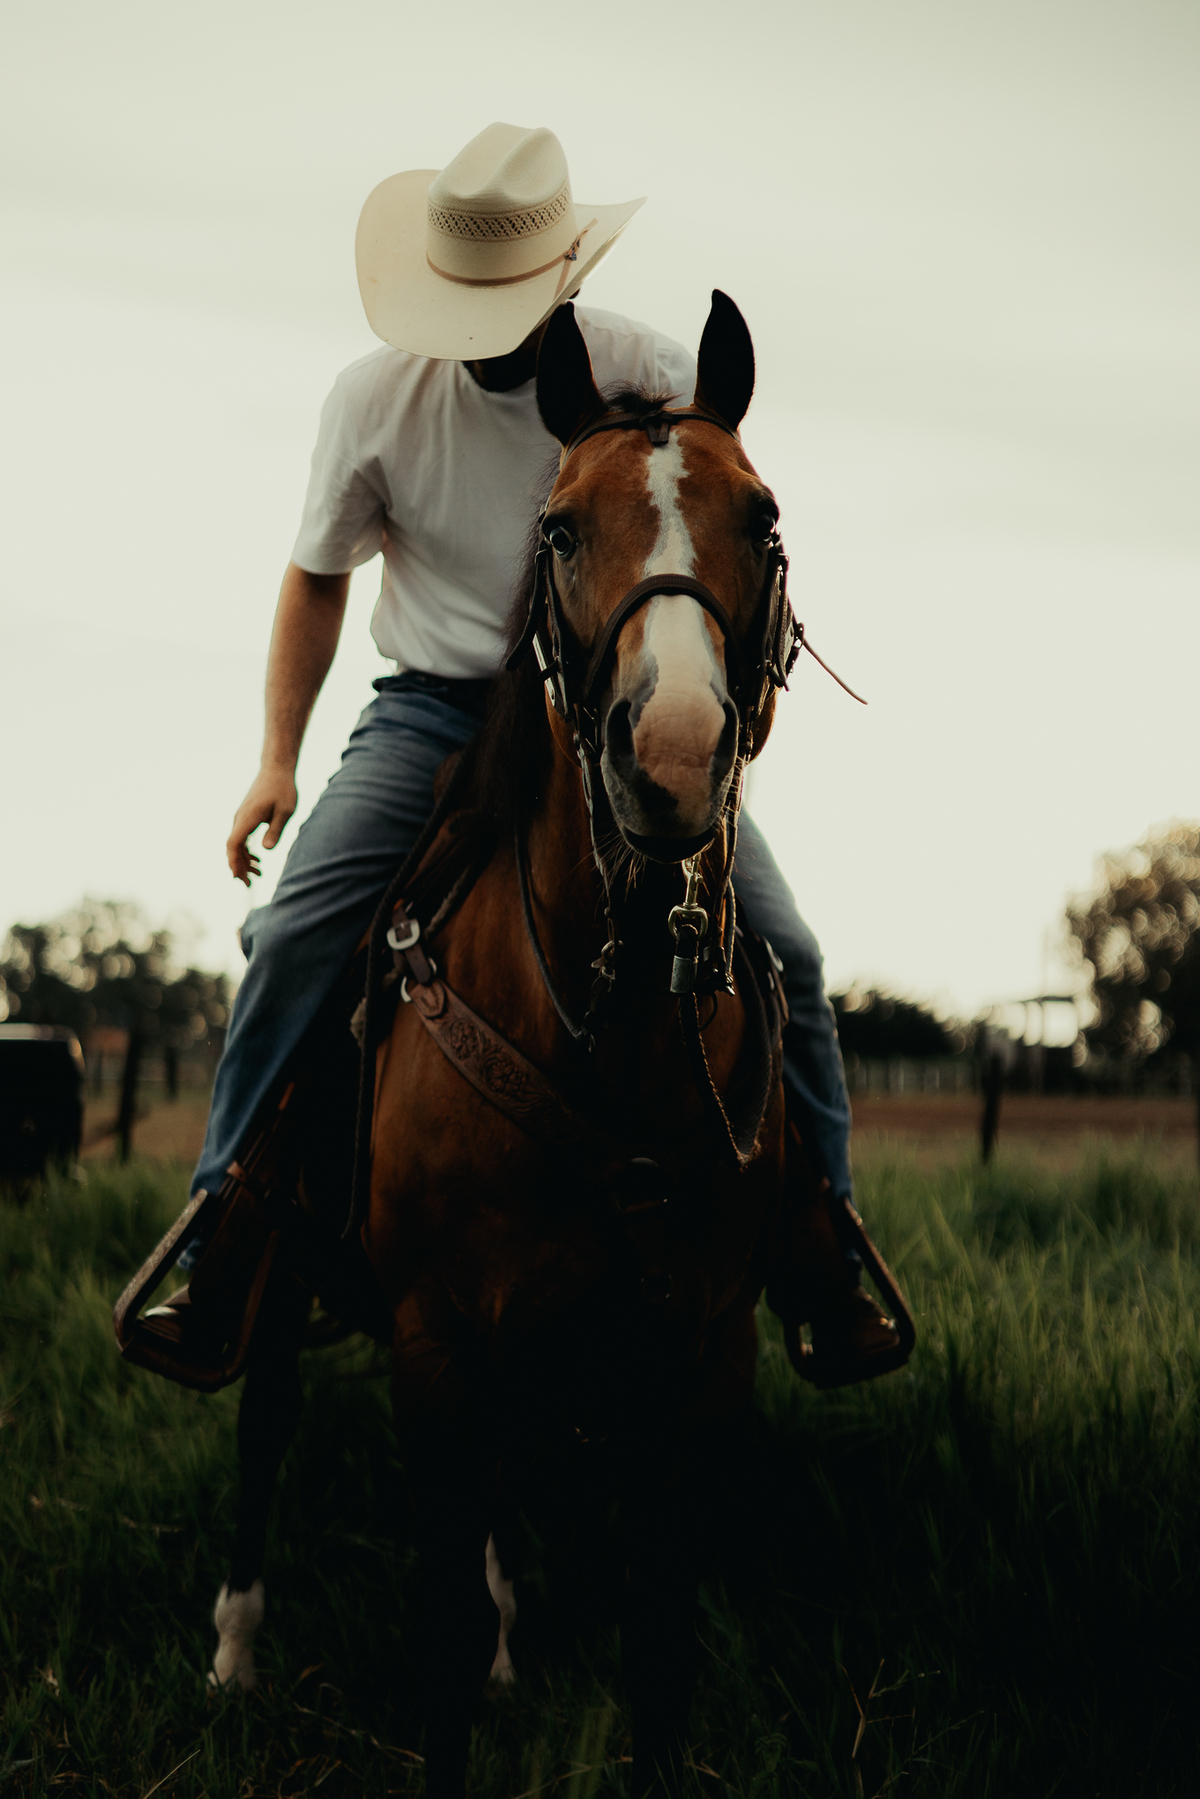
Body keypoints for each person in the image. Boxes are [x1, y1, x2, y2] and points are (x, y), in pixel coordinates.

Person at [181, 121, 898, 1379]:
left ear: (561, 275)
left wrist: (715, 708)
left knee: (786, 947)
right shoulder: (372, 401)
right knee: (294, 932)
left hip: (601, 716)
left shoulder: (649, 369)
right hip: (433, 708)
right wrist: (276, 757)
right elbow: (316, 577)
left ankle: (821, 1238)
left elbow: (726, 532)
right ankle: (220, 1226)